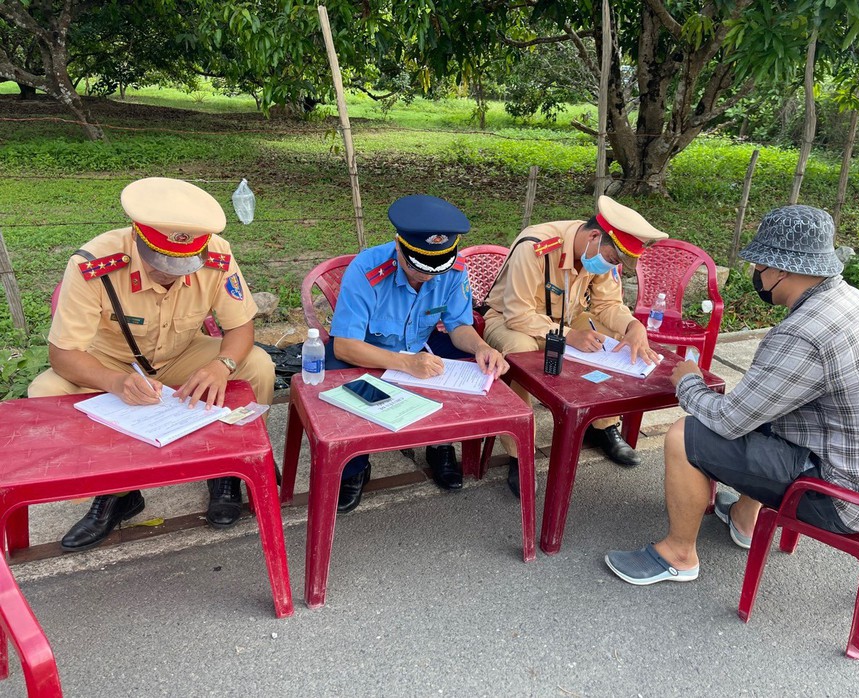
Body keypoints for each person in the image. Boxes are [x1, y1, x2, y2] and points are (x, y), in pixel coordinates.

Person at [604, 204, 859, 586]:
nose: (755, 273)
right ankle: (743, 519)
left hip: (838, 499)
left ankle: (678, 554)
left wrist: (687, 381)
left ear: (781, 269)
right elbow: (764, 404)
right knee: (768, 410)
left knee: (684, 435)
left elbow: (727, 421)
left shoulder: (803, 332)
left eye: (759, 266)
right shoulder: (850, 301)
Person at [29, 177, 275, 551]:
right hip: (108, 363)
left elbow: (240, 326)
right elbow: (62, 355)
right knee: (45, 391)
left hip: (181, 355)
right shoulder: (93, 263)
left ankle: (229, 469)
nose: (175, 275)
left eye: (186, 265)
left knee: (257, 364)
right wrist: (116, 382)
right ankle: (113, 492)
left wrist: (221, 366)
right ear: (138, 238)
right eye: (162, 266)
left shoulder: (217, 254)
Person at [327, 194, 509, 513]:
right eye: (418, 268)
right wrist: (405, 363)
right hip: (366, 352)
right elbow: (344, 344)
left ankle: (440, 445)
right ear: (399, 247)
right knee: (336, 375)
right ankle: (354, 466)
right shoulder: (367, 269)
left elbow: (459, 325)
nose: (428, 277)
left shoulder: (452, 272)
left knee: (466, 362)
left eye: (437, 269)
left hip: (418, 345)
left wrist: (482, 347)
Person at [483, 195, 668, 497]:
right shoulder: (536, 246)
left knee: (611, 337)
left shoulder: (601, 254)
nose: (611, 266)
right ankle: (520, 452)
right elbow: (518, 315)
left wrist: (633, 327)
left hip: (568, 318)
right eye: (612, 259)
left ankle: (603, 425)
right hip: (511, 319)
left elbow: (608, 304)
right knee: (520, 350)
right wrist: (569, 336)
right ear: (595, 236)